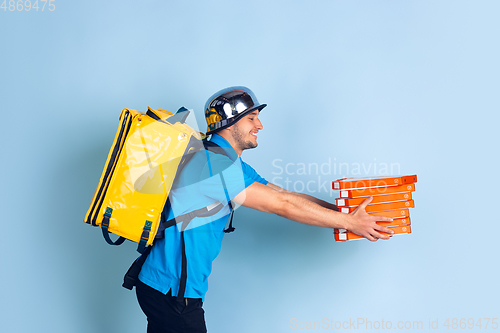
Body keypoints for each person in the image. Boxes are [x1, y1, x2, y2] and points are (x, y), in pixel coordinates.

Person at [135, 86, 394, 333]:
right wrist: (350, 223)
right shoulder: (213, 164)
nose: (259, 126)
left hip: (166, 286)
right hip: (171, 290)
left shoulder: (225, 160)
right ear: (230, 122)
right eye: (252, 118)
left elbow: (282, 194)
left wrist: (344, 213)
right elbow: (281, 206)